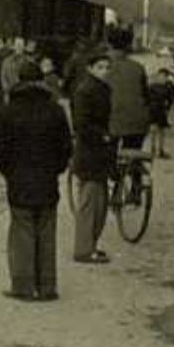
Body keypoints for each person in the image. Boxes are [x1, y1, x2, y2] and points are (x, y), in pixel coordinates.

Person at [0, 60, 72, 301]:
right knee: (47, 232)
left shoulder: (7, 110)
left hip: (19, 179)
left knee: (22, 231)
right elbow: (66, 147)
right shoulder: (55, 110)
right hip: (47, 179)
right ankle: (47, 286)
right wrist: (56, 169)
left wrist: (9, 172)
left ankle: (23, 286)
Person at [70, 50, 115, 264]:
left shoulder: (101, 89)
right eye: (100, 67)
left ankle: (91, 246)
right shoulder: (85, 91)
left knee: (99, 203)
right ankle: (84, 249)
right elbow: (80, 124)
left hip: (98, 152)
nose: (104, 71)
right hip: (90, 153)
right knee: (90, 203)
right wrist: (103, 135)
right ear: (90, 68)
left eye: (107, 67)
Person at [106, 26, 149, 155]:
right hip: (137, 124)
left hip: (108, 122)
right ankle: (133, 169)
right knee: (132, 153)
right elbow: (145, 95)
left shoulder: (100, 67)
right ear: (128, 46)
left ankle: (112, 172)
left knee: (107, 152)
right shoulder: (138, 68)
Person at [147, 68, 174, 159]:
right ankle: (159, 150)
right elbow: (172, 98)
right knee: (161, 131)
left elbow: (146, 98)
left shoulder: (151, 86)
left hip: (153, 109)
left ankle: (153, 150)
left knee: (154, 130)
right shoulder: (167, 87)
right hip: (160, 109)